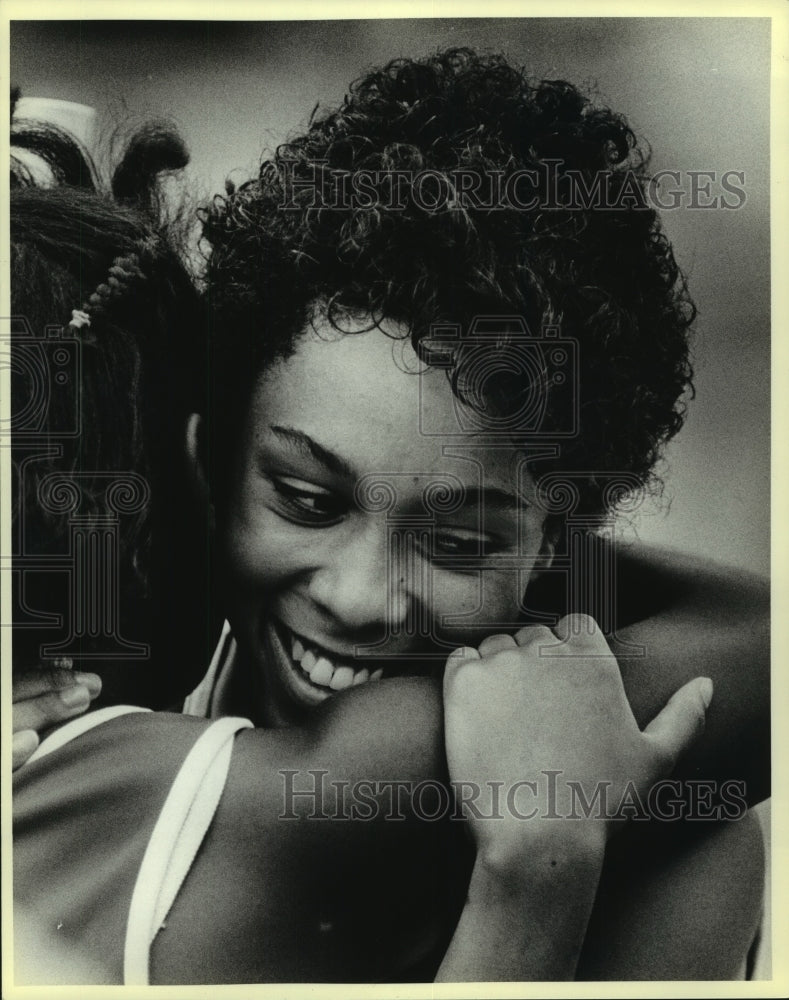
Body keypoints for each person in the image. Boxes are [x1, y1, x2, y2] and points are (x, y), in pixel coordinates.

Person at [11, 49, 769, 980]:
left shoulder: (673, 846)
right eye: (305, 500)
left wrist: (545, 864)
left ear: (557, 550)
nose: (362, 596)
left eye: (454, 543)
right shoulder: (99, 682)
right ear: (209, 457)